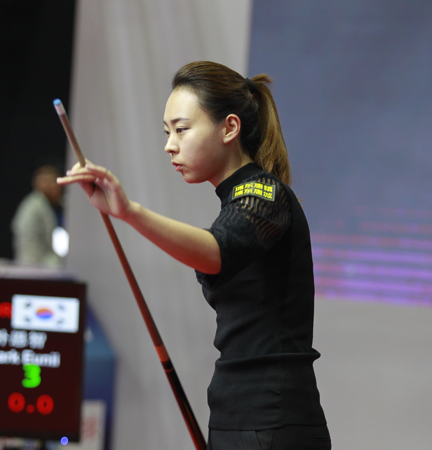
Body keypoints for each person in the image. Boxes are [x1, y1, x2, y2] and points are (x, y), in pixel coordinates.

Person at [59, 61, 330, 450]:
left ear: (229, 128)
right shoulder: (237, 200)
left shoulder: (265, 195)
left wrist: (129, 211)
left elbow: (216, 250)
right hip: (236, 415)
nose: (170, 145)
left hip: (272, 422)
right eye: (167, 132)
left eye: (182, 129)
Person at [11, 164, 66, 266]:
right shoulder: (35, 205)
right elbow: (32, 248)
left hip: (39, 262)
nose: (56, 188)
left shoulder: (46, 204)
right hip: (33, 263)